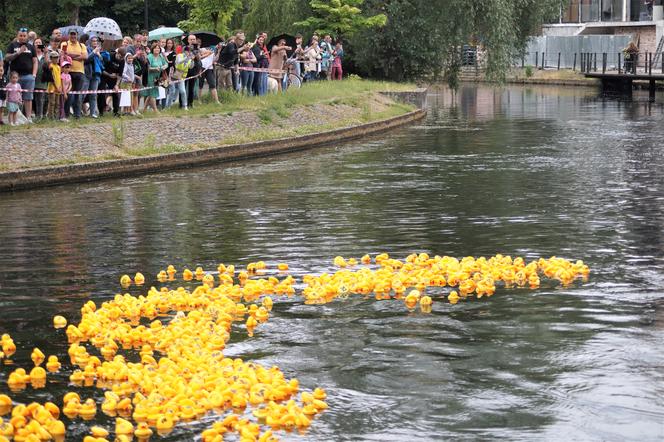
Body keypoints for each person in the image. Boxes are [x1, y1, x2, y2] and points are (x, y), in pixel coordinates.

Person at [5, 28, 37, 123]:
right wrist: (18, 52)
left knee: (28, 97)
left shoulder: (31, 47)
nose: (23, 37)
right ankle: (15, 119)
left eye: (24, 36)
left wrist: (34, 75)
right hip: (15, 77)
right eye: (21, 35)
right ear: (18, 35)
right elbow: (7, 58)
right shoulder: (13, 45)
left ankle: (28, 118)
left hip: (28, 76)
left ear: (27, 36)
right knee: (14, 97)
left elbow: (35, 61)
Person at [60, 29, 87, 118]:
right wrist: (77, 56)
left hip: (80, 72)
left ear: (77, 35)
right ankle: (66, 114)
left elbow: (85, 56)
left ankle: (77, 114)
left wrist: (70, 56)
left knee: (78, 95)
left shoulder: (82, 45)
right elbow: (63, 55)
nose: (73, 36)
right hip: (68, 72)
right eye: (71, 34)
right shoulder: (64, 44)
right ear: (69, 35)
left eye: (74, 34)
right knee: (68, 94)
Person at [142, 42, 167, 113]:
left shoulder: (161, 56)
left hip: (158, 77)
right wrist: (155, 68)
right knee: (153, 93)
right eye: (155, 48)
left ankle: (144, 109)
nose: (157, 49)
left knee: (151, 94)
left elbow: (166, 64)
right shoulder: (150, 56)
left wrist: (164, 67)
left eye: (158, 48)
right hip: (150, 76)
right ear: (152, 49)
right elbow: (148, 68)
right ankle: (155, 110)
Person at [100, 47, 125, 117]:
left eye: (122, 58)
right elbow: (101, 69)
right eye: (120, 57)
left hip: (113, 77)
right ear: (117, 53)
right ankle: (101, 111)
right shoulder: (109, 56)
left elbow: (120, 75)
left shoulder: (122, 61)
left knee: (115, 93)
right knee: (101, 91)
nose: (120, 59)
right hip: (104, 75)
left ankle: (116, 112)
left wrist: (117, 85)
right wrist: (109, 75)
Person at [84, 36, 103, 118]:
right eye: (93, 41)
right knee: (83, 93)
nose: (95, 42)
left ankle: (93, 113)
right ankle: (78, 112)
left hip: (95, 74)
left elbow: (101, 62)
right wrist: (94, 52)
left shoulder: (98, 50)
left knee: (93, 94)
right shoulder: (86, 48)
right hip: (87, 74)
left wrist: (99, 55)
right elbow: (86, 59)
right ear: (90, 42)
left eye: (96, 41)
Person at [185, 34, 201, 108]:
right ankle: (182, 104)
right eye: (191, 39)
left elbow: (198, 59)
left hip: (194, 69)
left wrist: (196, 51)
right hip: (185, 69)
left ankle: (190, 103)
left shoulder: (197, 48)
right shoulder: (185, 48)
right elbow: (185, 58)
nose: (192, 41)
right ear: (188, 40)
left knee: (191, 88)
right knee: (184, 88)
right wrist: (190, 52)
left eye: (194, 39)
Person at [33, 37, 48, 120]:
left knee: (41, 99)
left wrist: (45, 53)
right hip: (33, 80)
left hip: (42, 80)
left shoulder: (45, 54)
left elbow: (47, 65)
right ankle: (34, 115)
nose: (38, 44)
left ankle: (40, 116)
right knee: (33, 99)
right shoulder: (31, 55)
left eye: (39, 43)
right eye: (36, 43)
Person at [46, 51, 62, 120]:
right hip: (52, 88)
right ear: (51, 58)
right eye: (54, 58)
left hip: (58, 88)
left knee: (57, 103)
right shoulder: (51, 66)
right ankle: (50, 117)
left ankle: (56, 117)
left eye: (57, 57)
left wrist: (60, 87)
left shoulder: (58, 67)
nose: (56, 59)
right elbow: (52, 78)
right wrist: (56, 87)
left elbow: (59, 77)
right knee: (52, 103)